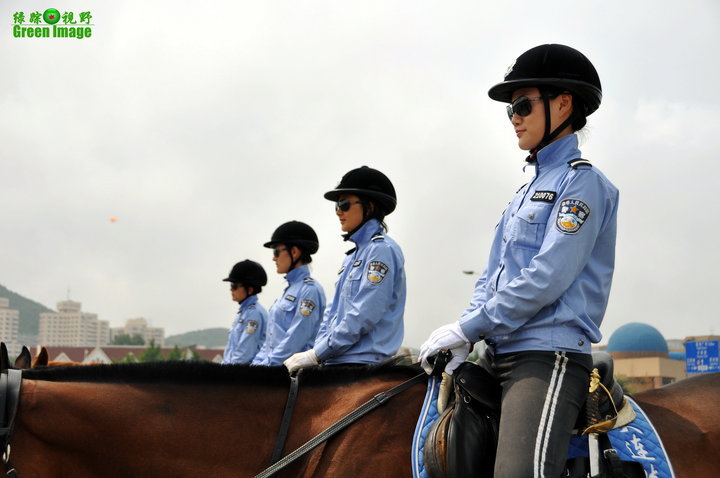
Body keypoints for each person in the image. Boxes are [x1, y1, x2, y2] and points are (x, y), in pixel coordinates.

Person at [418, 44, 619, 478]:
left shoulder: (583, 186)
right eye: (510, 110)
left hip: (547, 355)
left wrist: (470, 327)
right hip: (498, 349)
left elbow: (547, 277)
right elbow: (491, 277)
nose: (515, 118)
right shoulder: (524, 191)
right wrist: (464, 333)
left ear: (563, 103)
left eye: (523, 105)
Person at [284, 166, 406, 371]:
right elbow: (331, 314)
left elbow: (363, 314)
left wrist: (317, 353)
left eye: (344, 204)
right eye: (337, 206)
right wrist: (317, 352)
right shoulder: (351, 257)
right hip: (336, 360)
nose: (339, 211)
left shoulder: (381, 250)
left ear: (370, 205)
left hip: (361, 365)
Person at [252, 221, 326, 366]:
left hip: (294, 374)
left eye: (276, 252)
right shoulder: (288, 291)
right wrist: (255, 366)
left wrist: (266, 367)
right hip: (274, 369)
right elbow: (269, 343)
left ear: (294, 252)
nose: (274, 258)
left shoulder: (310, 290)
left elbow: (295, 340)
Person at [221, 259, 269, 364]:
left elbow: (245, 353)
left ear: (250, 290)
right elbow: (231, 351)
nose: (231, 290)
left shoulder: (254, 313)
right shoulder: (244, 313)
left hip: (245, 375)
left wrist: (225, 373)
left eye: (234, 286)